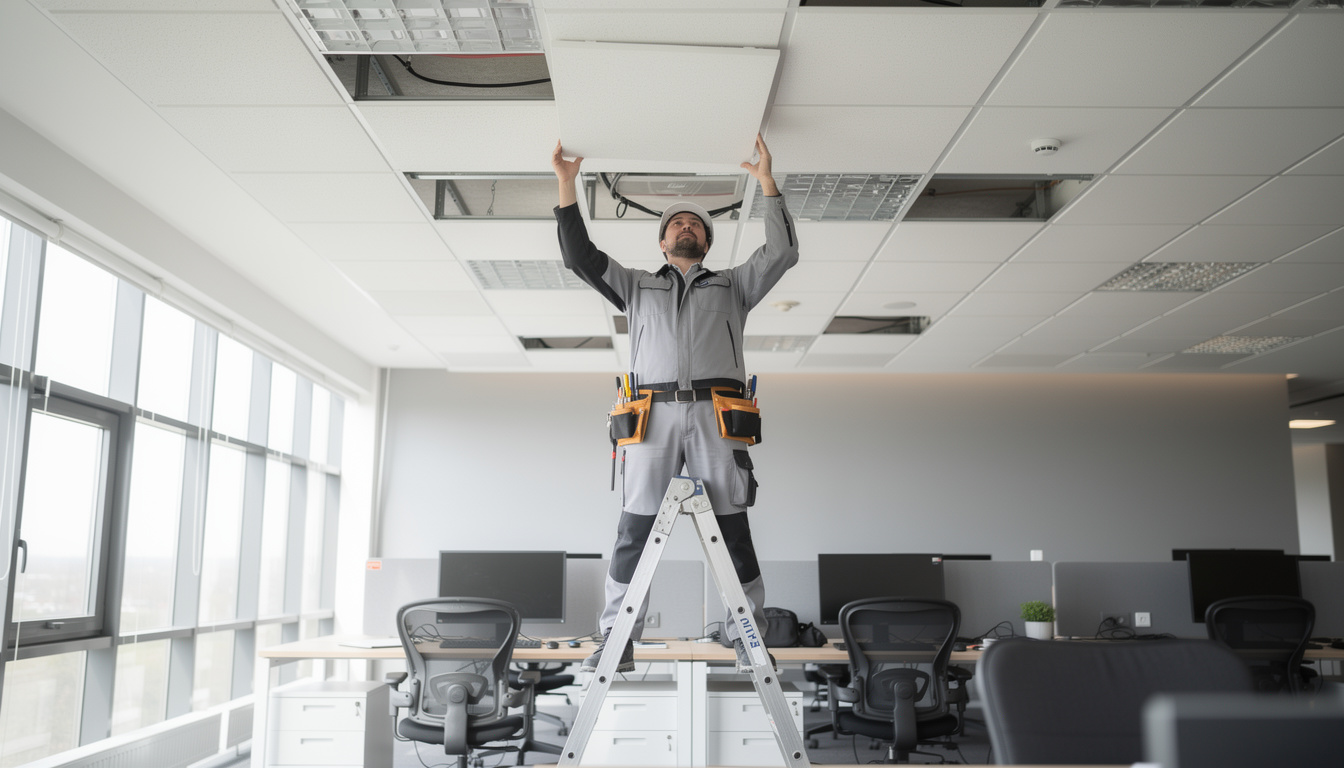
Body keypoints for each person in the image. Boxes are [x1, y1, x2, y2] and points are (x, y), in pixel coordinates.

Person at [550, 134, 798, 673]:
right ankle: (618, 637)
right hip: (651, 417)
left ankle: (746, 635)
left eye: (696, 225)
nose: (686, 227)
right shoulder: (637, 286)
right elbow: (579, 257)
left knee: (733, 529)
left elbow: (782, 252)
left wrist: (767, 185)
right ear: (662, 242)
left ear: (706, 243)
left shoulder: (733, 286)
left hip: (717, 414)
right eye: (676, 224)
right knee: (633, 528)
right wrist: (568, 186)